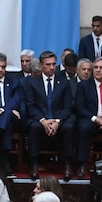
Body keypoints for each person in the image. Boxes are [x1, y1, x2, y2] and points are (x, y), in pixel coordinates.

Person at [24, 50, 76, 180]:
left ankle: (68, 164)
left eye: (53, 64)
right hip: (40, 119)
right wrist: (43, 121)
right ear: (41, 66)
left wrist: (58, 121)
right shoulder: (32, 82)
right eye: (48, 65)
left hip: (59, 118)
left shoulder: (63, 82)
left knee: (69, 127)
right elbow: (31, 106)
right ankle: (34, 164)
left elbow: (68, 106)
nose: (52, 67)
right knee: (33, 127)